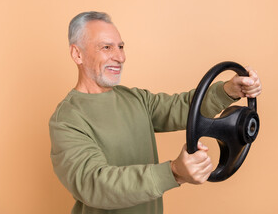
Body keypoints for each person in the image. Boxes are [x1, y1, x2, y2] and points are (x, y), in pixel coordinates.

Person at [49, 11, 262, 214]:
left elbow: (181, 107)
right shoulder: (67, 120)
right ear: (77, 54)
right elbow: (95, 184)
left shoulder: (135, 99)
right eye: (106, 47)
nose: (120, 57)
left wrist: (229, 90)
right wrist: (174, 172)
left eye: (121, 47)